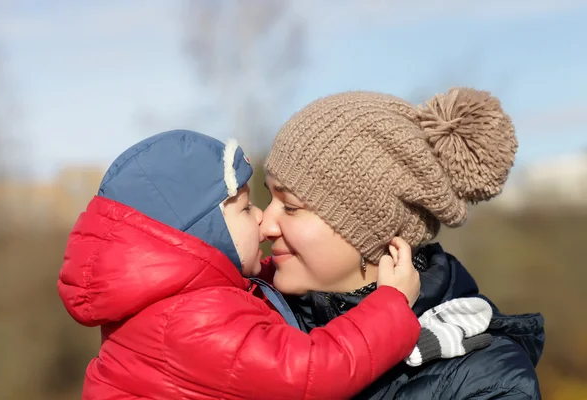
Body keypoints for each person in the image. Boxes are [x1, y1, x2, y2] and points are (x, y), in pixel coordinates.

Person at [57, 129, 423, 400]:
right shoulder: (191, 321)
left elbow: (245, 296)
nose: (262, 219)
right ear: (203, 232)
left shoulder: (179, 304)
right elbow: (312, 373)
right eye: (246, 208)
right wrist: (390, 303)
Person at [262, 88, 545, 399]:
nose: (265, 224)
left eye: (289, 206)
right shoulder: (251, 330)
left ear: (372, 228)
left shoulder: (486, 380)